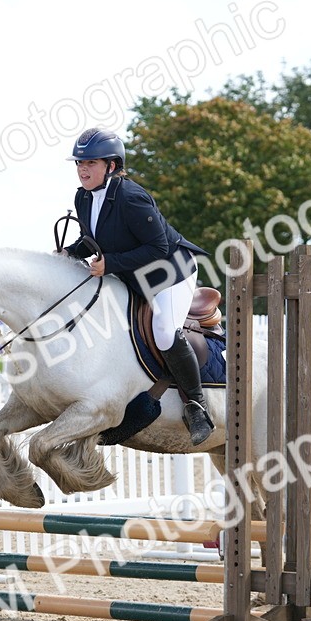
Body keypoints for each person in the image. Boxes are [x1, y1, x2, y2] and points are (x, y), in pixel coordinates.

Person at [61, 128, 213, 445]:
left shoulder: (132, 198)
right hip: (133, 275)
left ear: (112, 166)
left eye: (90, 163)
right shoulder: (83, 197)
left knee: (163, 330)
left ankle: (197, 406)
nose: (82, 169)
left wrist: (110, 264)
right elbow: (94, 237)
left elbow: (158, 248)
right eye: (79, 163)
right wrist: (71, 253)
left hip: (171, 273)